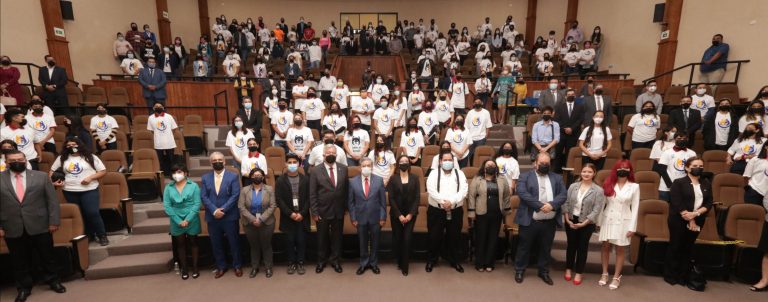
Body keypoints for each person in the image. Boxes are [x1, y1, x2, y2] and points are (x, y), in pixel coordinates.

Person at [0, 150, 66, 302]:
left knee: (47, 256)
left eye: (20, 159)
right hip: (12, 226)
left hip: (41, 224)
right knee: (19, 260)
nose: (17, 162)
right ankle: (24, 288)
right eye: (13, 160)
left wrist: (54, 221)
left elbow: (52, 201)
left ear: (25, 160)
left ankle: (54, 281)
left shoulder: (41, 176)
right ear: (6, 162)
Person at [514, 152, 567, 285]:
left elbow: (563, 194)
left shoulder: (557, 177)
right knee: (524, 247)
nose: (544, 166)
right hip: (530, 220)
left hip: (549, 221)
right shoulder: (525, 176)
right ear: (535, 164)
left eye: (547, 164)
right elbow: (522, 193)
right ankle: (520, 270)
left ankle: (543, 271)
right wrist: (540, 206)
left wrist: (552, 205)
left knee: (546, 247)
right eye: (542, 163)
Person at [664, 157, 712, 289]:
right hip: (678, 219)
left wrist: (696, 215)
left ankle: (683, 276)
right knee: (676, 246)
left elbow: (709, 203)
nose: (699, 168)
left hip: (698, 219)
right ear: (687, 168)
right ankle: (671, 276)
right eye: (695, 165)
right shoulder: (678, 182)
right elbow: (676, 202)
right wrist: (690, 218)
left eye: (701, 166)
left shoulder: (706, 183)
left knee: (688, 247)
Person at [51, 137, 108, 245]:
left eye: (74, 144)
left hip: (89, 189)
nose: (71, 147)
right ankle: (89, 234)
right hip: (69, 190)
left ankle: (102, 235)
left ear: (80, 145)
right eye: (68, 145)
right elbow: (51, 172)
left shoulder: (90, 157)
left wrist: (90, 177)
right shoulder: (62, 158)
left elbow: (102, 171)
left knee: (92, 213)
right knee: (80, 214)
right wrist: (54, 182)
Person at [598, 160, 640, 290]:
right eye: (620, 168)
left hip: (624, 221)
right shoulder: (609, 183)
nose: (623, 170)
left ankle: (616, 277)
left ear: (630, 171)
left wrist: (632, 227)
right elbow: (602, 204)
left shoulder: (634, 186)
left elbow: (636, 207)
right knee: (605, 247)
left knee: (620, 249)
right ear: (615, 170)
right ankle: (604, 273)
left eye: (626, 168)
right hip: (608, 219)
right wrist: (599, 222)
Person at [201, 152, 243, 278]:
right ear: (211, 163)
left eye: (220, 159)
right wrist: (214, 210)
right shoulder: (205, 178)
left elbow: (235, 195)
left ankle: (237, 266)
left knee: (234, 242)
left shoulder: (233, 176)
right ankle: (221, 266)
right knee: (216, 243)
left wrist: (223, 210)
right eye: (214, 160)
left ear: (224, 162)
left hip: (230, 216)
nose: (217, 162)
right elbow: (203, 196)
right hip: (212, 217)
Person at [425, 152, 468, 273]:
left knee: (454, 236)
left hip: (455, 210)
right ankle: (431, 260)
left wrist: (452, 202)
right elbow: (431, 189)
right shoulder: (433, 173)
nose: (448, 162)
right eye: (445, 160)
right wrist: (443, 202)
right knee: (434, 236)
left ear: (453, 162)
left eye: (450, 160)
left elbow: (463, 190)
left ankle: (454, 261)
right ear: (440, 161)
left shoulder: (460, 174)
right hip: (436, 210)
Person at [562, 163, 605, 285]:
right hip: (571, 220)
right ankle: (569, 269)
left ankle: (579, 272)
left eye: (589, 172)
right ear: (581, 173)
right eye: (584, 171)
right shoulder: (573, 186)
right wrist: (567, 219)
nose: (586, 174)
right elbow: (566, 202)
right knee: (571, 246)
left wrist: (584, 223)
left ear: (594, 173)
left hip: (587, 223)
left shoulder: (598, 190)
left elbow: (597, 210)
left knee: (582, 247)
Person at [309, 144, 348, 274]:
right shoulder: (315, 170)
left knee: (337, 238)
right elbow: (312, 193)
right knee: (321, 238)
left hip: (338, 210)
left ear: (336, 155)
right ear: (323, 155)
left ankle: (335, 261)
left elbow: (346, 190)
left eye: (333, 152)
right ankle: (321, 261)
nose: (330, 154)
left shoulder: (343, 168)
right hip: (322, 211)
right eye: (328, 152)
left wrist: (345, 208)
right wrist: (314, 212)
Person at [468, 159, 512, 272]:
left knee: (493, 239)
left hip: (497, 214)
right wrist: (471, 212)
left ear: (496, 167)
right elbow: (471, 196)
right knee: (481, 238)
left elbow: (507, 195)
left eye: (493, 165)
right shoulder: (477, 179)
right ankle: (479, 263)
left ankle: (489, 263)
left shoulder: (502, 179)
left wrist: (506, 212)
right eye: (488, 165)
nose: (491, 166)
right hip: (481, 213)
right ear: (484, 167)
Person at [347, 157, 386, 275]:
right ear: (360, 167)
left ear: (372, 167)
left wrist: (383, 217)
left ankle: (374, 263)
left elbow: (382, 202)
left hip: (375, 217)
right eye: (364, 165)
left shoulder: (379, 180)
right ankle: (363, 263)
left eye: (369, 165)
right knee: (362, 242)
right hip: (360, 218)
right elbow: (351, 202)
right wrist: (353, 218)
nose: (366, 168)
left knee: (375, 241)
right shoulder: (352, 181)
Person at [163, 163, 202, 280]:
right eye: (174, 172)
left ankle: (195, 268)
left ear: (185, 173)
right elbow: (167, 206)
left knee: (194, 243)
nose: (177, 175)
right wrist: (178, 220)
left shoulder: (193, 186)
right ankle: (184, 269)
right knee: (180, 245)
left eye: (179, 172)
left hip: (192, 217)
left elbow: (197, 204)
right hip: (176, 219)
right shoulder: (168, 187)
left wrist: (187, 219)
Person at [275, 153, 310, 275]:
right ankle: (291, 263)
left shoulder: (306, 179)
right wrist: (290, 214)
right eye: (289, 162)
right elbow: (279, 200)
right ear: (285, 164)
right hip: (287, 217)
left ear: (299, 164)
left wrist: (302, 213)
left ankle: (300, 262)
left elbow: (309, 199)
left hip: (302, 217)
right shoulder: (280, 180)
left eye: (294, 162)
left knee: (301, 241)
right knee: (289, 241)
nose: (292, 165)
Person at [238, 167, 276, 278]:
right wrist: (252, 219)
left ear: (263, 177)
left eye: (259, 175)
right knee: (254, 246)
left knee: (266, 245)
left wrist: (261, 219)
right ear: (251, 177)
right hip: (249, 223)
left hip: (267, 222)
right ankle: (255, 267)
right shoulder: (244, 190)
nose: (257, 177)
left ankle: (268, 267)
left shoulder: (269, 189)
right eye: (255, 175)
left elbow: (273, 206)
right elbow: (241, 206)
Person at [388, 155, 419, 276]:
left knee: (407, 239)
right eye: (402, 161)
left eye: (406, 161)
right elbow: (391, 198)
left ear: (409, 164)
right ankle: (400, 260)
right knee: (398, 238)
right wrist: (399, 215)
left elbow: (417, 198)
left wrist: (411, 214)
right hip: (396, 214)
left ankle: (405, 266)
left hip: (411, 214)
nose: (404, 163)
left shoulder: (415, 178)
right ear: (398, 164)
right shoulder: (393, 178)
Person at [554, 90, 585, 170]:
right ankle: (556, 170)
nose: (570, 96)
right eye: (569, 94)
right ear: (565, 96)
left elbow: (580, 119)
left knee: (570, 153)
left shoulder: (580, 107)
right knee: (558, 153)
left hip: (573, 134)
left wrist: (572, 128)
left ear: (575, 96)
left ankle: (568, 170)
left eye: (572, 94)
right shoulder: (559, 106)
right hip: (561, 133)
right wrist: (565, 128)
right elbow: (557, 119)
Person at [147, 103, 177, 175]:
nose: (158, 107)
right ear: (153, 108)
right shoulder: (150, 118)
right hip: (158, 143)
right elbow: (151, 130)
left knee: (171, 160)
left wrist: (168, 135)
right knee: (159, 161)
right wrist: (159, 135)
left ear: (163, 107)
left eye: (160, 106)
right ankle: (161, 176)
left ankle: (172, 174)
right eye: (156, 106)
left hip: (169, 142)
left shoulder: (169, 116)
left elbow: (174, 128)